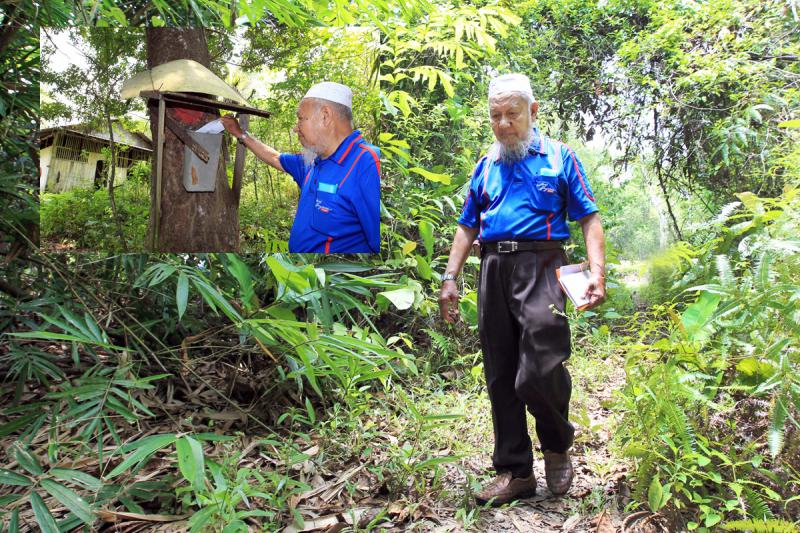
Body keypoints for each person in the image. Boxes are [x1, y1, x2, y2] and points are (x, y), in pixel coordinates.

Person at [438, 73, 606, 506]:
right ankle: (516, 472)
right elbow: (466, 225)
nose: (503, 123)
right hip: (493, 266)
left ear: (532, 112)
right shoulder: (486, 164)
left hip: (544, 265)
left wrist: (597, 272)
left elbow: (588, 217)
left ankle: (556, 444)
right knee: (500, 373)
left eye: (512, 114)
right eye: (495, 116)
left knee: (540, 368)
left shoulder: (560, 157)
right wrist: (450, 278)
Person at [221, 82, 381, 253]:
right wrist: (239, 133)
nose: (296, 128)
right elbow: (275, 157)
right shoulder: (312, 162)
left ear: (325, 116)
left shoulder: (368, 163)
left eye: (300, 118)